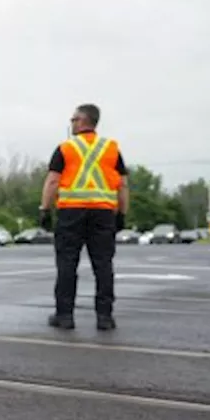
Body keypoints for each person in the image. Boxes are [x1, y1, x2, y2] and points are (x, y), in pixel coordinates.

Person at [38, 104, 130, 331]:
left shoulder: (66, 148)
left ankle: (65, 315)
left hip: (71, 212)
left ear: (82, 121)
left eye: (73, 119)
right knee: (103, 265)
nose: (71, 123)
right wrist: (122, 213)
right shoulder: (111, 149)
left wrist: (45, 209)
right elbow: (123, 185)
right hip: (103, 213)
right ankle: (105, 317)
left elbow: (52, 181)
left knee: (67, 263)